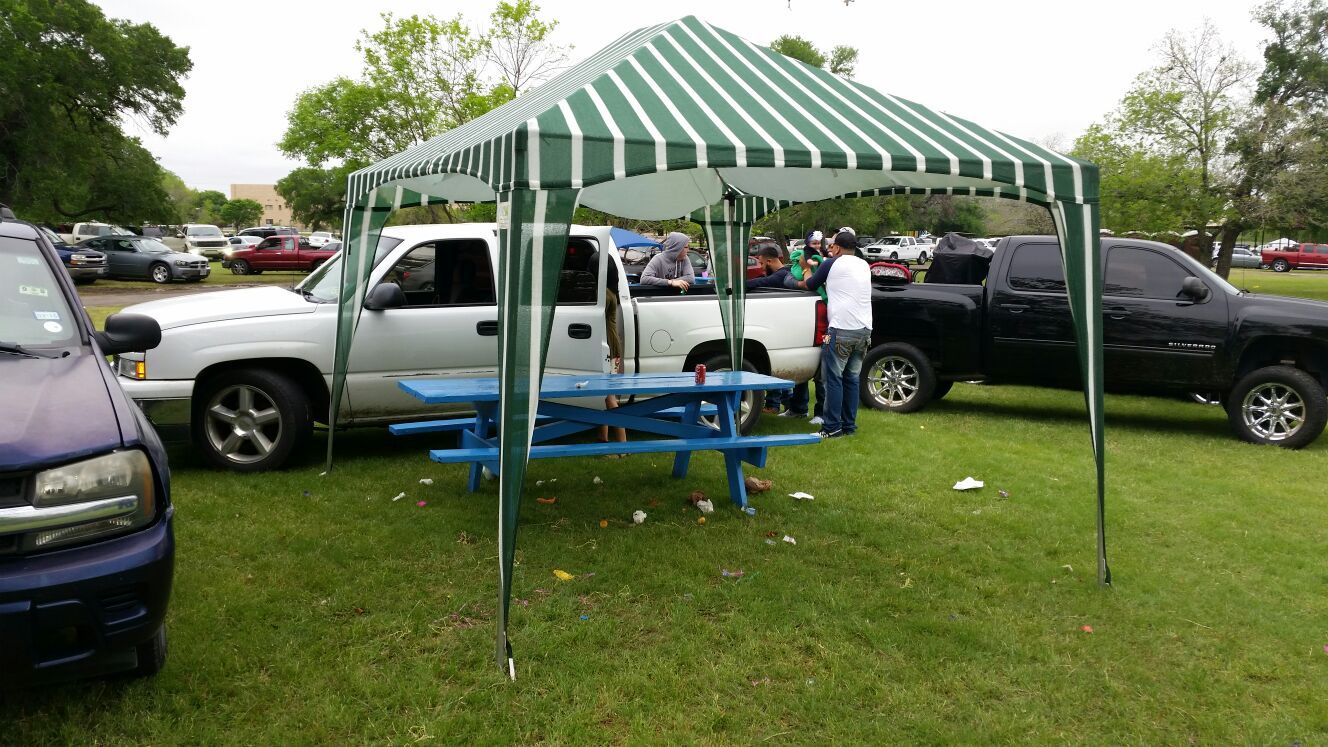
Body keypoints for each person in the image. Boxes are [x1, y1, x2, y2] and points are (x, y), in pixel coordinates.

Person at [793, 231, 872, 438]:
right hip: (864, 330)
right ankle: (848, 426)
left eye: (831, 246)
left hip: (839, 330)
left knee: (833, 379)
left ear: (836, 247)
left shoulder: (831, 263)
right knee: (852, 379)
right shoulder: (863, 264)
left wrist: (805, 268)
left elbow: (811, 284)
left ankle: (831, 428)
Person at [783, 231, 827, 423]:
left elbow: (810, 284)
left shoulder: (825, 265)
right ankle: (798, 408)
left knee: (822, 373)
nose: (817, 246)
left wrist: (807, 268)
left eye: (819, 243)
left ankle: (821, 413)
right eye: (814, 243)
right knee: (800, 368)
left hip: (826, 327)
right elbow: (796, 281)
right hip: (807, 323)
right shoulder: (808, 260)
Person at [747, 243, 793, 412]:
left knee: (776, 366)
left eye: (761, 262)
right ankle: (777, 404)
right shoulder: (782, 273)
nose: (760, 266)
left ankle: (782, 404)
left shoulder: (782, 275)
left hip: (781, 326)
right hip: (777, 324)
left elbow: (764, 281)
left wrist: (740, 284)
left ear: (769, 261)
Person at [598, 250, 628, 456]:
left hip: (608, 348)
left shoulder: (605, 295)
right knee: (605, 395)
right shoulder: (611, 292)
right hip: (612, 347)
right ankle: (602, 440)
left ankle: (622, 445)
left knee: (609, 396)